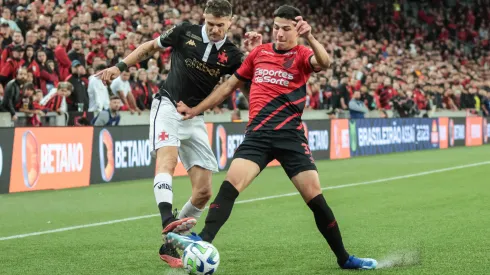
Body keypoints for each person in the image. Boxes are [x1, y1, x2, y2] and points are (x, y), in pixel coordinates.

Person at [169, 5, 377, 270]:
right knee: (230, 185)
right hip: (258, 135)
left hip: (290, 137)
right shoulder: (259, 53)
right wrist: (196, 109)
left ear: (297, 31)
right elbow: (229, 86)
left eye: (286, 29)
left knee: (315, 197)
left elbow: (324, 62)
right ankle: (203, 240)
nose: (279, 33)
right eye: (276, 27)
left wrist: (311, 37)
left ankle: (344, 258)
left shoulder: (302, 54)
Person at [94, 0, 262, 268]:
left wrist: (259, 110)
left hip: (194, 115)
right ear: (203, 18)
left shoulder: (232, 55)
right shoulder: (185, 32)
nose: (215, 29)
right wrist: (119, 67)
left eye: (221, 25)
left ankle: (171, 242)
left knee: (204, 191)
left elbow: (245, 88)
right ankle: (166, 218)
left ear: (230, 23)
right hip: (168, 105)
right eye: (210, 23)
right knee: (167, 162)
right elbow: (149, 47)